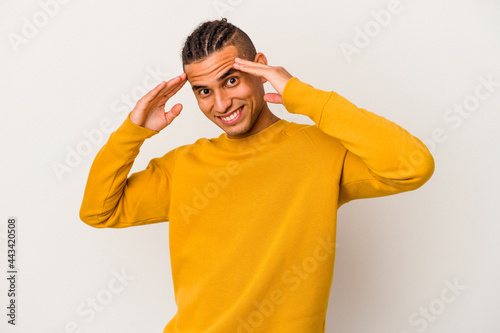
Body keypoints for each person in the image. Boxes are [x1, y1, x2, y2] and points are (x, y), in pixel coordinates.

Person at [80, 18, 434, 333]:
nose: (220, 105)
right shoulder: (182, 166)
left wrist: (301, 95)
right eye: (204, 91)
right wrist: (132, 132)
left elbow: (412, 166)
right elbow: (98, 211)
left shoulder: (320, 151)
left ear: (259, 68)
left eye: (231, 80)